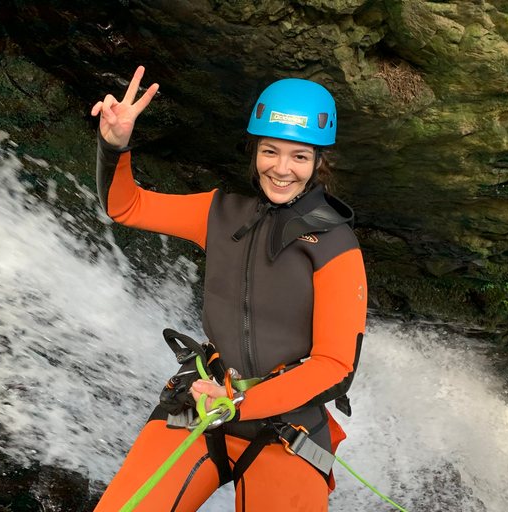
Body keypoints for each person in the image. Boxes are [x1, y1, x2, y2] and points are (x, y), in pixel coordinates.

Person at [90, 66, 367, 512]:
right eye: (269, 151)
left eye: (299, 156)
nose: (281, 169)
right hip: (202, 401)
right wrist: (114, 146)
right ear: (253, 152)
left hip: (285, 428)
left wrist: (239, 403)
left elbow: (335, 366)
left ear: (319, 162)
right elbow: (126, 205)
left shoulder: (336, 246)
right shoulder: (220, 213)